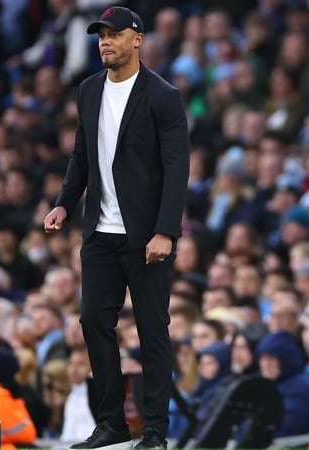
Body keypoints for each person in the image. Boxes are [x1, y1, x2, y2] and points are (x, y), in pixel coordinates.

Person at [43, 6, 190, 450]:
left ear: (137, 39)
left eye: (113, 34)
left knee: (152, 331)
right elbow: (82, 156)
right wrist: (64, 204)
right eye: (100, 35)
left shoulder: (163, 96)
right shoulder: (88, 91)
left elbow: (176, 167)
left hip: (147, 236)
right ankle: (110, 424)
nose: (105, 42)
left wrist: (166, 231)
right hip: (100, 233)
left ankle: (156, 432)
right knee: (92, 320)